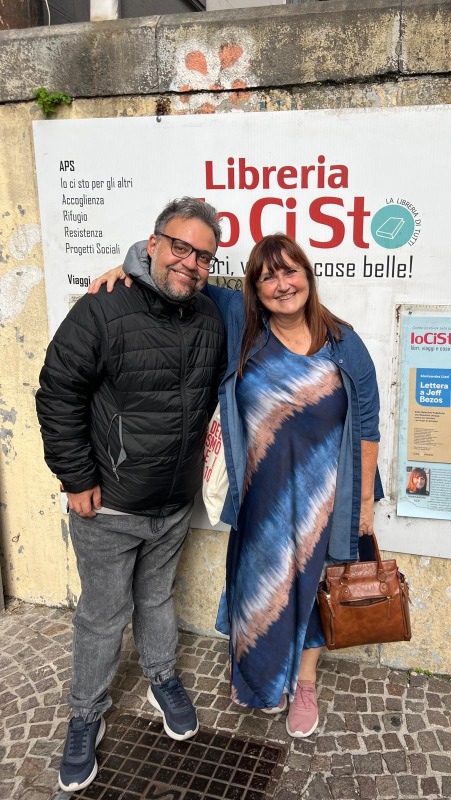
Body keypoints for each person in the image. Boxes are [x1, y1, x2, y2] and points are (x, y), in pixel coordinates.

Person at [93, 232, 383, 739]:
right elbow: (175, 268)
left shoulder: (344, 341)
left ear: (309, 277)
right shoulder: (240, 322)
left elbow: (368, 423)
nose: (281, 284)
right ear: (254, 287)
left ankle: (306, 684)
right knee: (259, 590)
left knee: (315, 589)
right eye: (267, 276)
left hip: (327, 499)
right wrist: (125, 265)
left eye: (290, 271)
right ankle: (260, 680)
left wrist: (361, 509)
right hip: (261, 494)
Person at [36, 198, 226, 792]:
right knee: (101, 616)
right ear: (152, 243)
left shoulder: (210, 317)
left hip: (171, 506)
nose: (190, 262)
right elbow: (57, 392)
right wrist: (76, 479)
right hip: (108, 507)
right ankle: (85, 716)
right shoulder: (104, 307)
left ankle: (162, 676)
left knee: (157, 599)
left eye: (203, 256)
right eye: (180, 247)